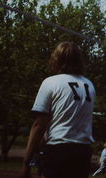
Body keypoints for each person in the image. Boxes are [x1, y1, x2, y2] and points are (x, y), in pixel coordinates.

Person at [21, 42, 96, 178]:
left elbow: (39, 124)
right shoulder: (89, 85)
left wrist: (26, 161)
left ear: (57, 59)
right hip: (83, 152)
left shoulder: (51, 82)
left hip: (59, 149)